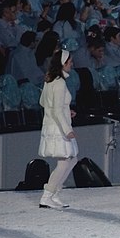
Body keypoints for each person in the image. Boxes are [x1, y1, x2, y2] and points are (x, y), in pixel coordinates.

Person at [38, 50, 78, 209]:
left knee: (71, 159)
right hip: (59, 128)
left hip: (54, 125)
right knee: (65, 162)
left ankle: (53, 193)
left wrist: (66, 110)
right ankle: (48, 195)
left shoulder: (49, 81)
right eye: (70, 62)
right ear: (63, 63)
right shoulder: (59, 82)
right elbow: (55, 110)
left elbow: (43, 102)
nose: (72, 64)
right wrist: (67, 129)